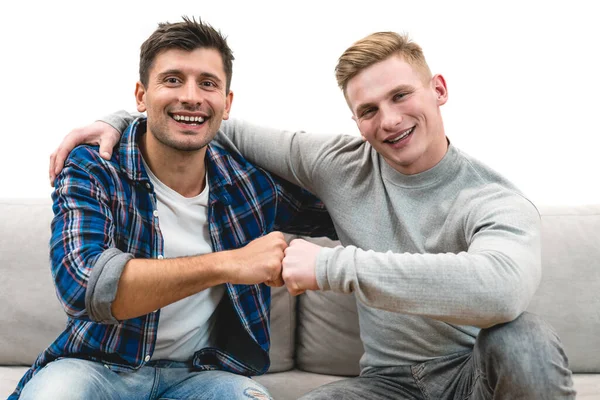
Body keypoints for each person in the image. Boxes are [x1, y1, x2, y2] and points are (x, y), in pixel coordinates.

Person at [50, 32, 576, 399]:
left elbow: (500, 290)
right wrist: (117, 120)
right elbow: (203, 120)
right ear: (354, 119)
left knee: (522, 337)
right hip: (385, 385)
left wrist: (330, 267)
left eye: (401, 96)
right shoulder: (339, 166)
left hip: (471, 377)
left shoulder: (494, 200)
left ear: (437, 90)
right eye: (368, 110)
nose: (388, 121)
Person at [11, 17, 336, 400]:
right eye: (172, 79)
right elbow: (86, 288)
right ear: (140, 96)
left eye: (208, 83)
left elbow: (351, 202)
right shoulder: (94, 168)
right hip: (96, 366)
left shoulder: (248, 184)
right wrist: (229, 263)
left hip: (202, 375)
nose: (192, 96)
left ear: (227, 104)